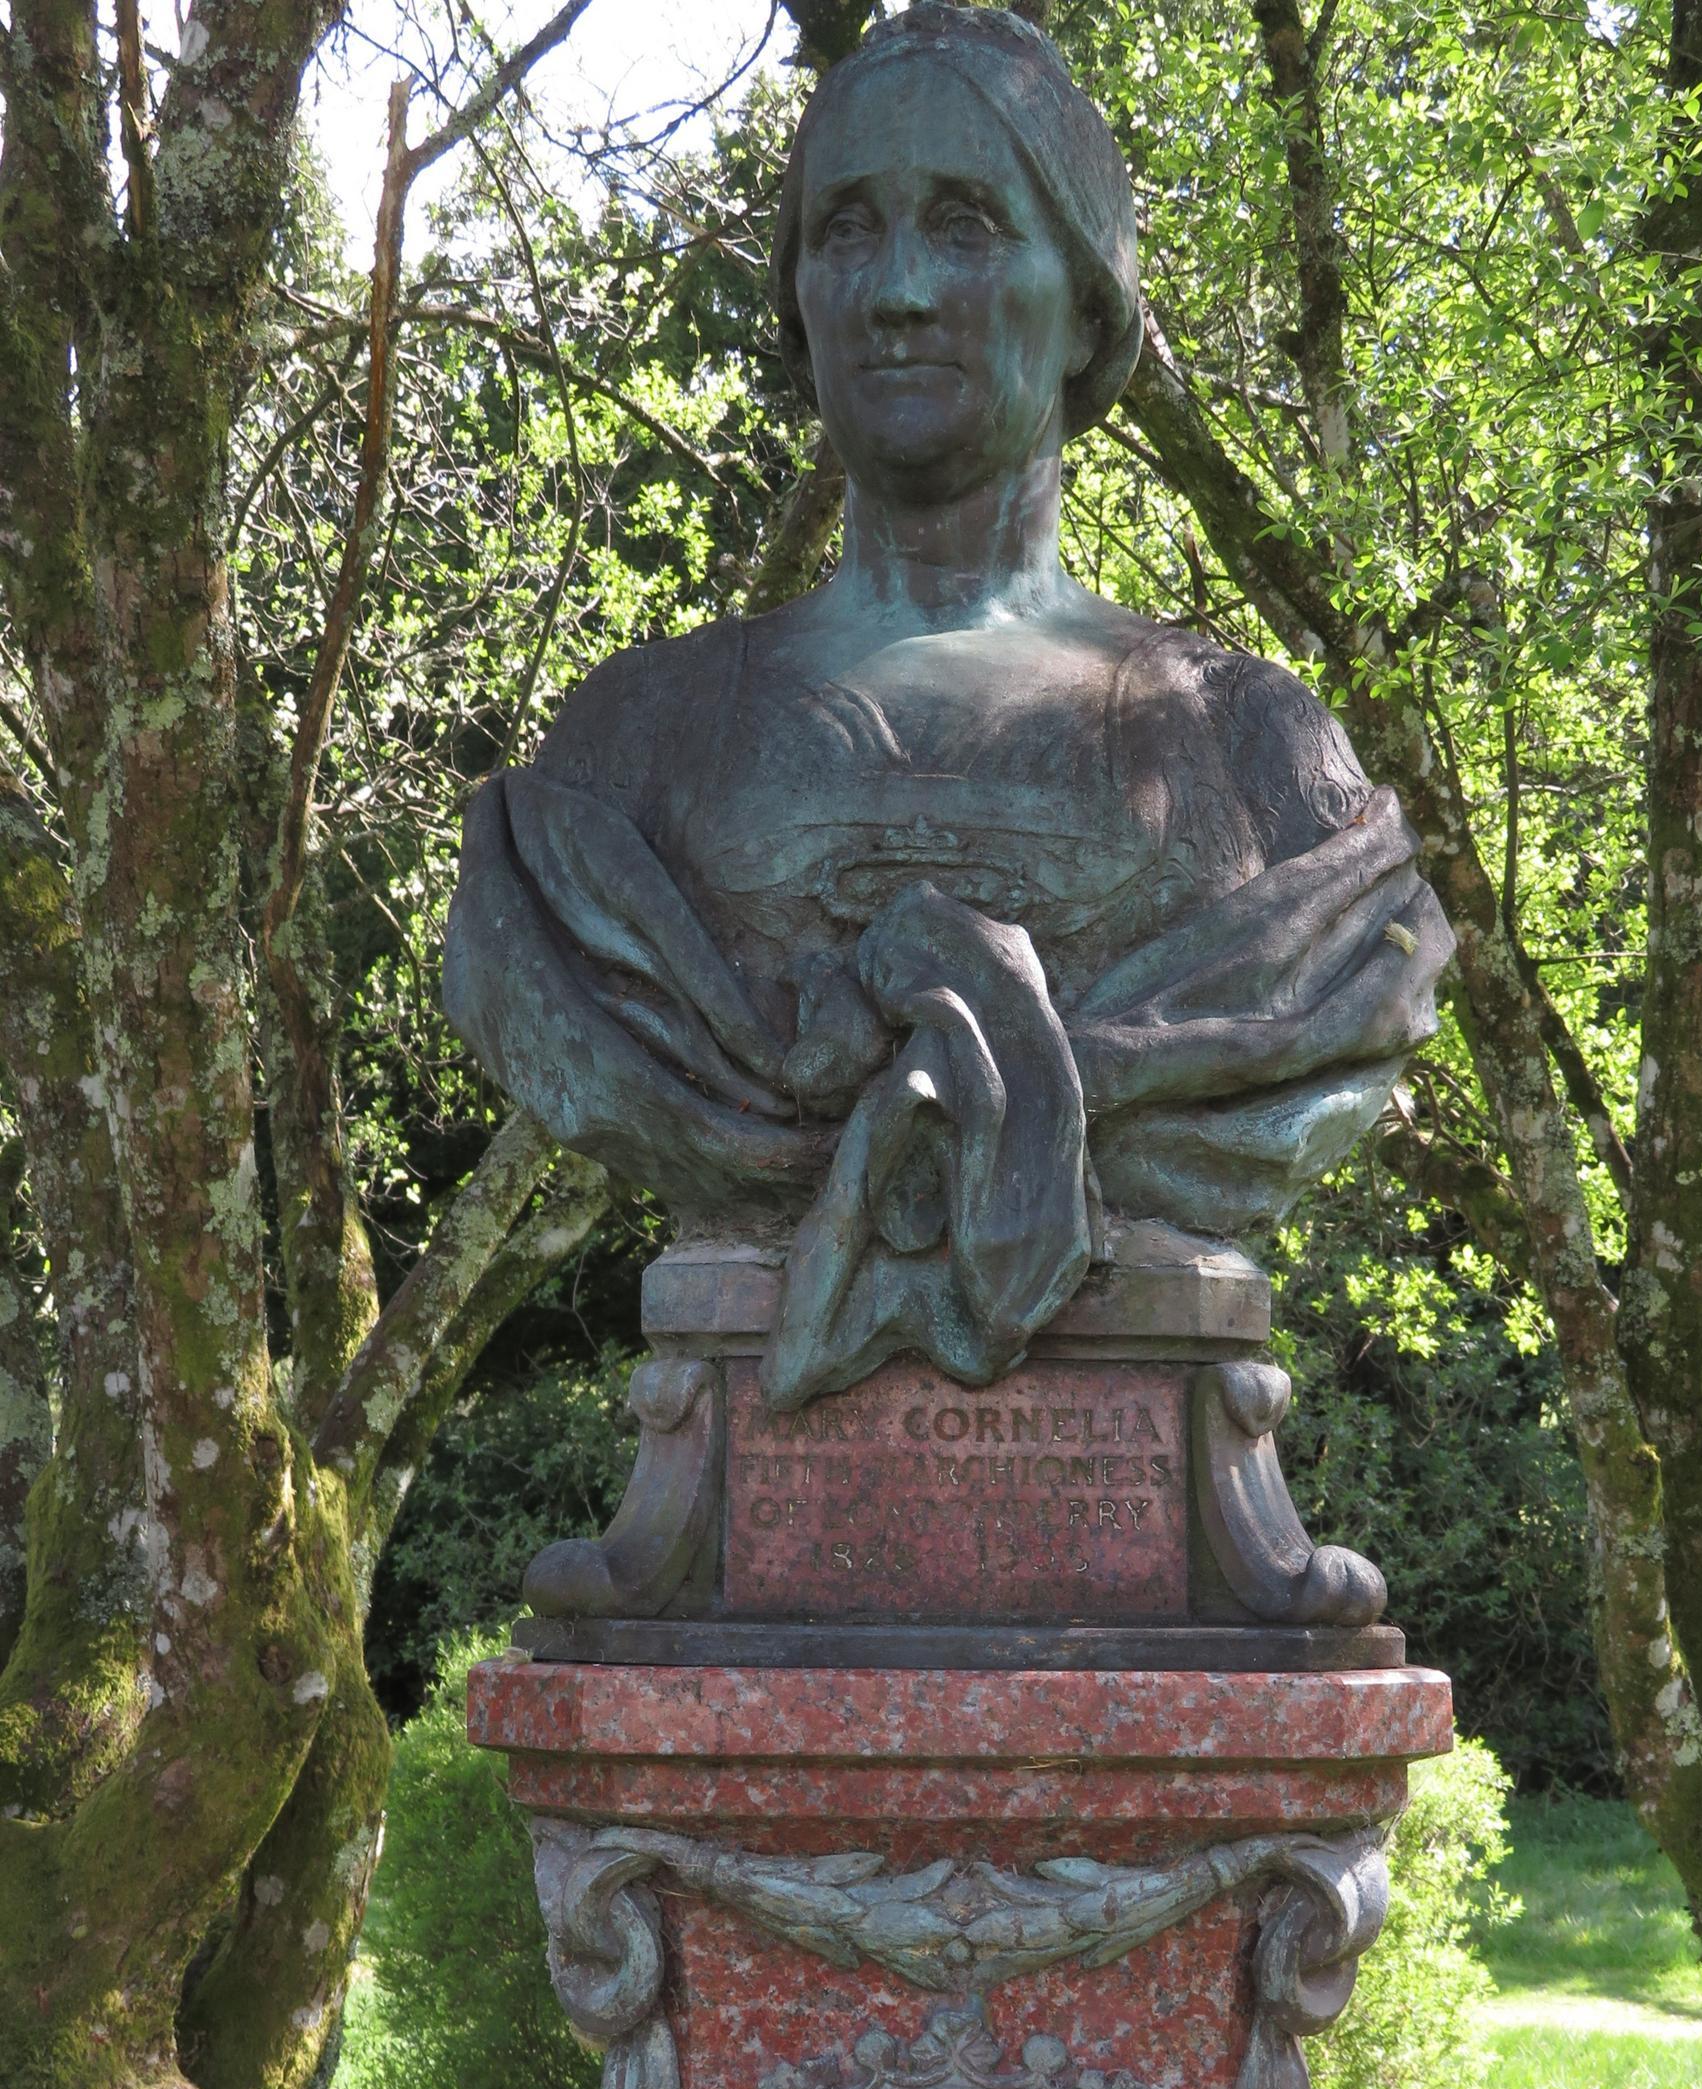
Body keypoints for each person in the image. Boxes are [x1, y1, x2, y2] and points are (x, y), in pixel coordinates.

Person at [445, 3, 1451, 1409]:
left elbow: (1362, 990)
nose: (899, 287)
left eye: (968, 224)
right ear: (796, 292)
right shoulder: (629, 747)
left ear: (1089, 297)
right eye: (847, 229)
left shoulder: (1252, 748)